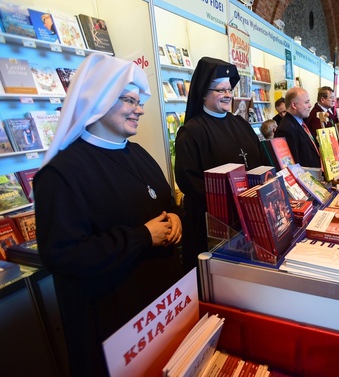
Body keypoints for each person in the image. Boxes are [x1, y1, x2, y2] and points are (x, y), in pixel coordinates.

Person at [33, 53, 184, 376]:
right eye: (129, 100)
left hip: (160, 307)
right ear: (98, 101)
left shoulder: (138, 153)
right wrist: (142, 237)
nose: (140, 108)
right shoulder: (62, 174)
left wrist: (176, 217)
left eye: (139, 100)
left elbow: (165, 201)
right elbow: (62, 254)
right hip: (114, 323)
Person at [174, 57, 263, 272]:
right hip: (212, 223)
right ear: (204, 93)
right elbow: (187, 181)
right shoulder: (192, 131)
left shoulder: (240, 123)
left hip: (248, 217)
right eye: (220, 90)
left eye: (229, 89)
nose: (227, 95)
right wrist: (228, 200)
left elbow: (259, 160)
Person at [274, 87, 321, 168]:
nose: (310, 105)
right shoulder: (285, 129)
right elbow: (293, 166)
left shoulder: (300, 122)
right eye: (306, 102)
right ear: (294, 105)